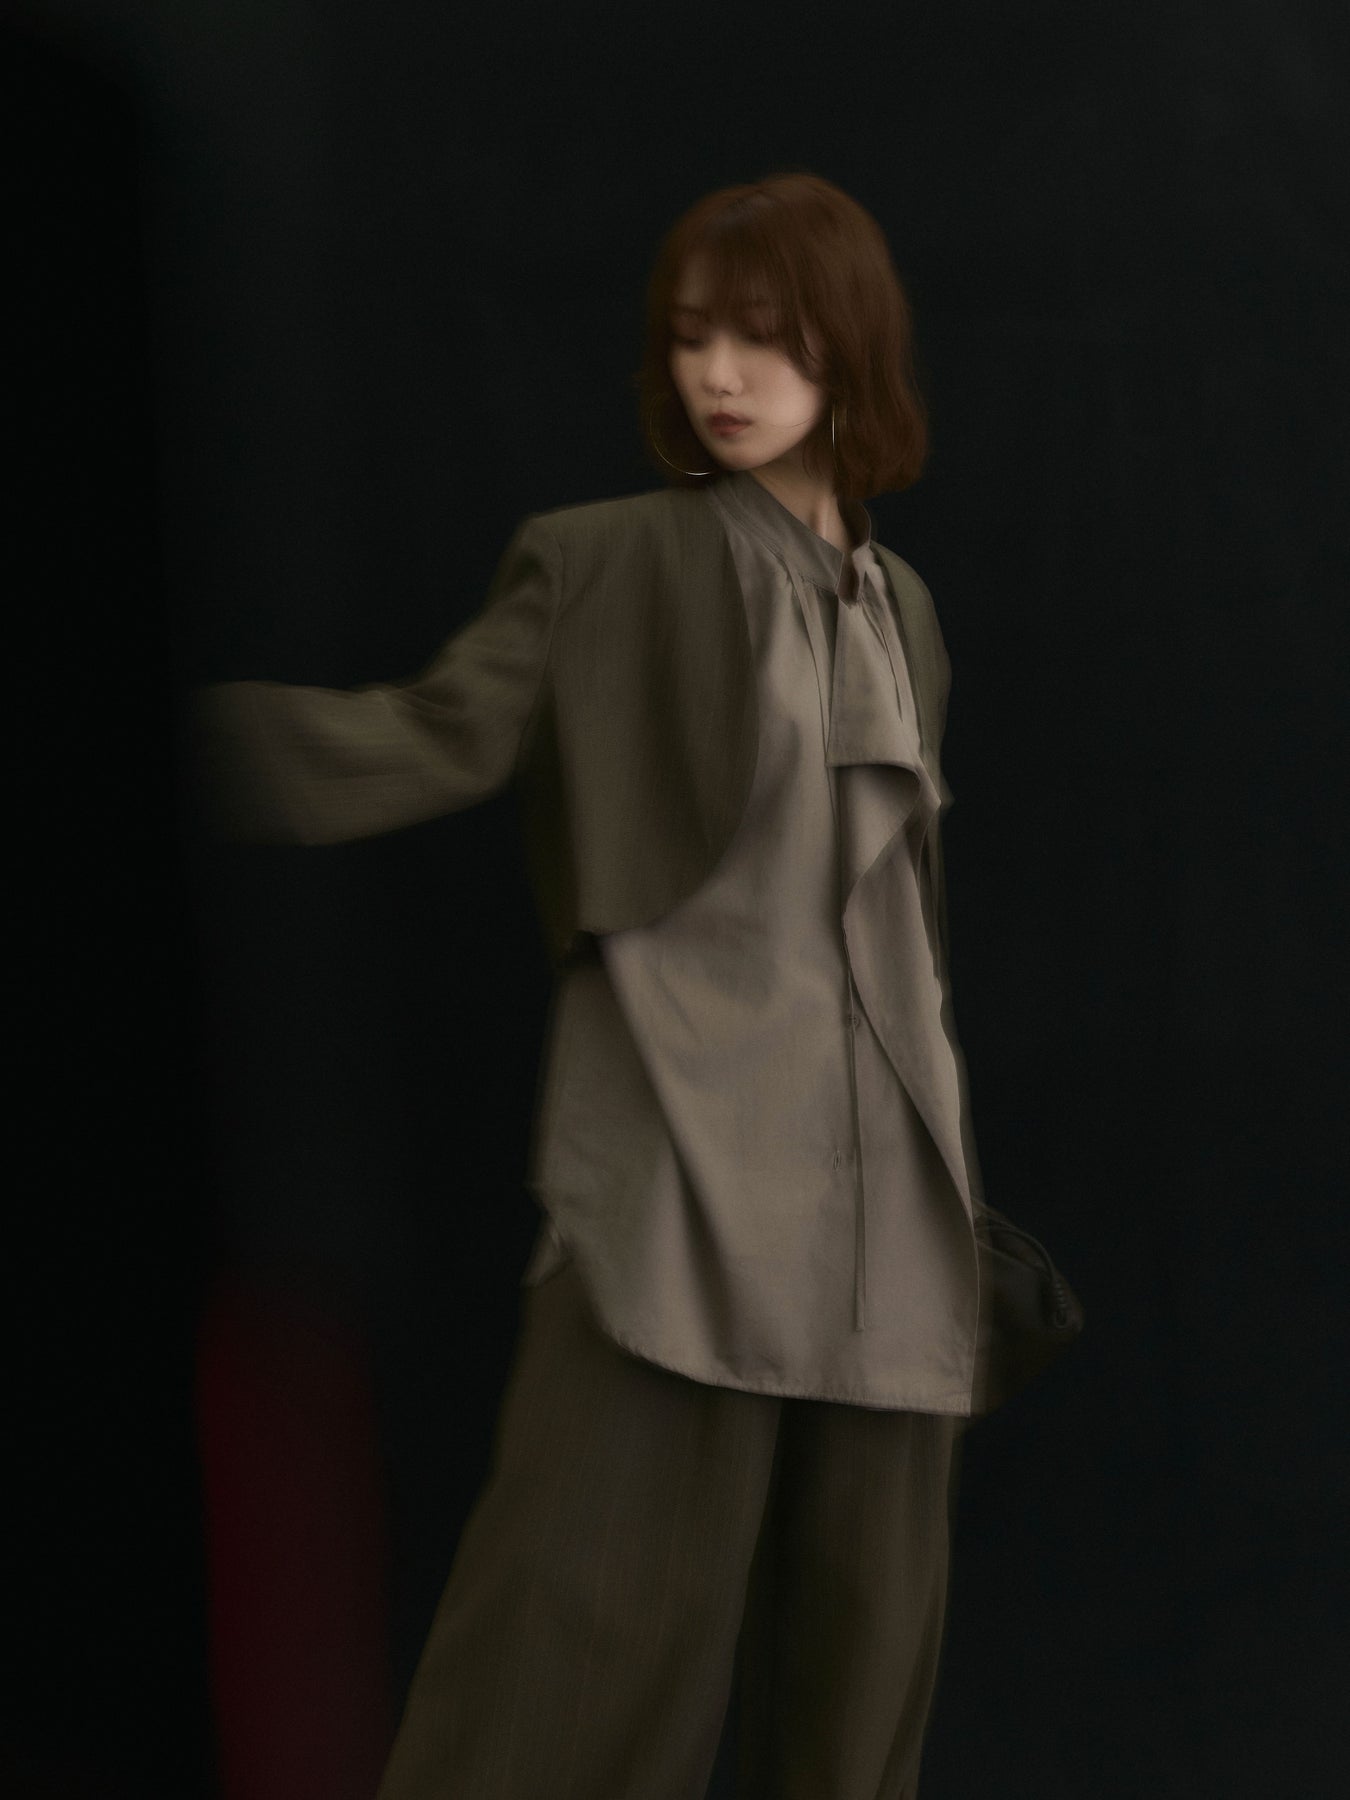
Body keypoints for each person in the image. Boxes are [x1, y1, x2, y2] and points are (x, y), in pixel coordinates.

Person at [191, 168, 990, 1800]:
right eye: (690, 336)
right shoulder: (606, 563)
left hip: (891, 1220)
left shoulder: (900, 605)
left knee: (858, 1695)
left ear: (848, 347)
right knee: (574, 1651)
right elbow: (417, 738)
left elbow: (899, 928)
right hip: (679, 1181)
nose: (718, 374)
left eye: (763, 335)